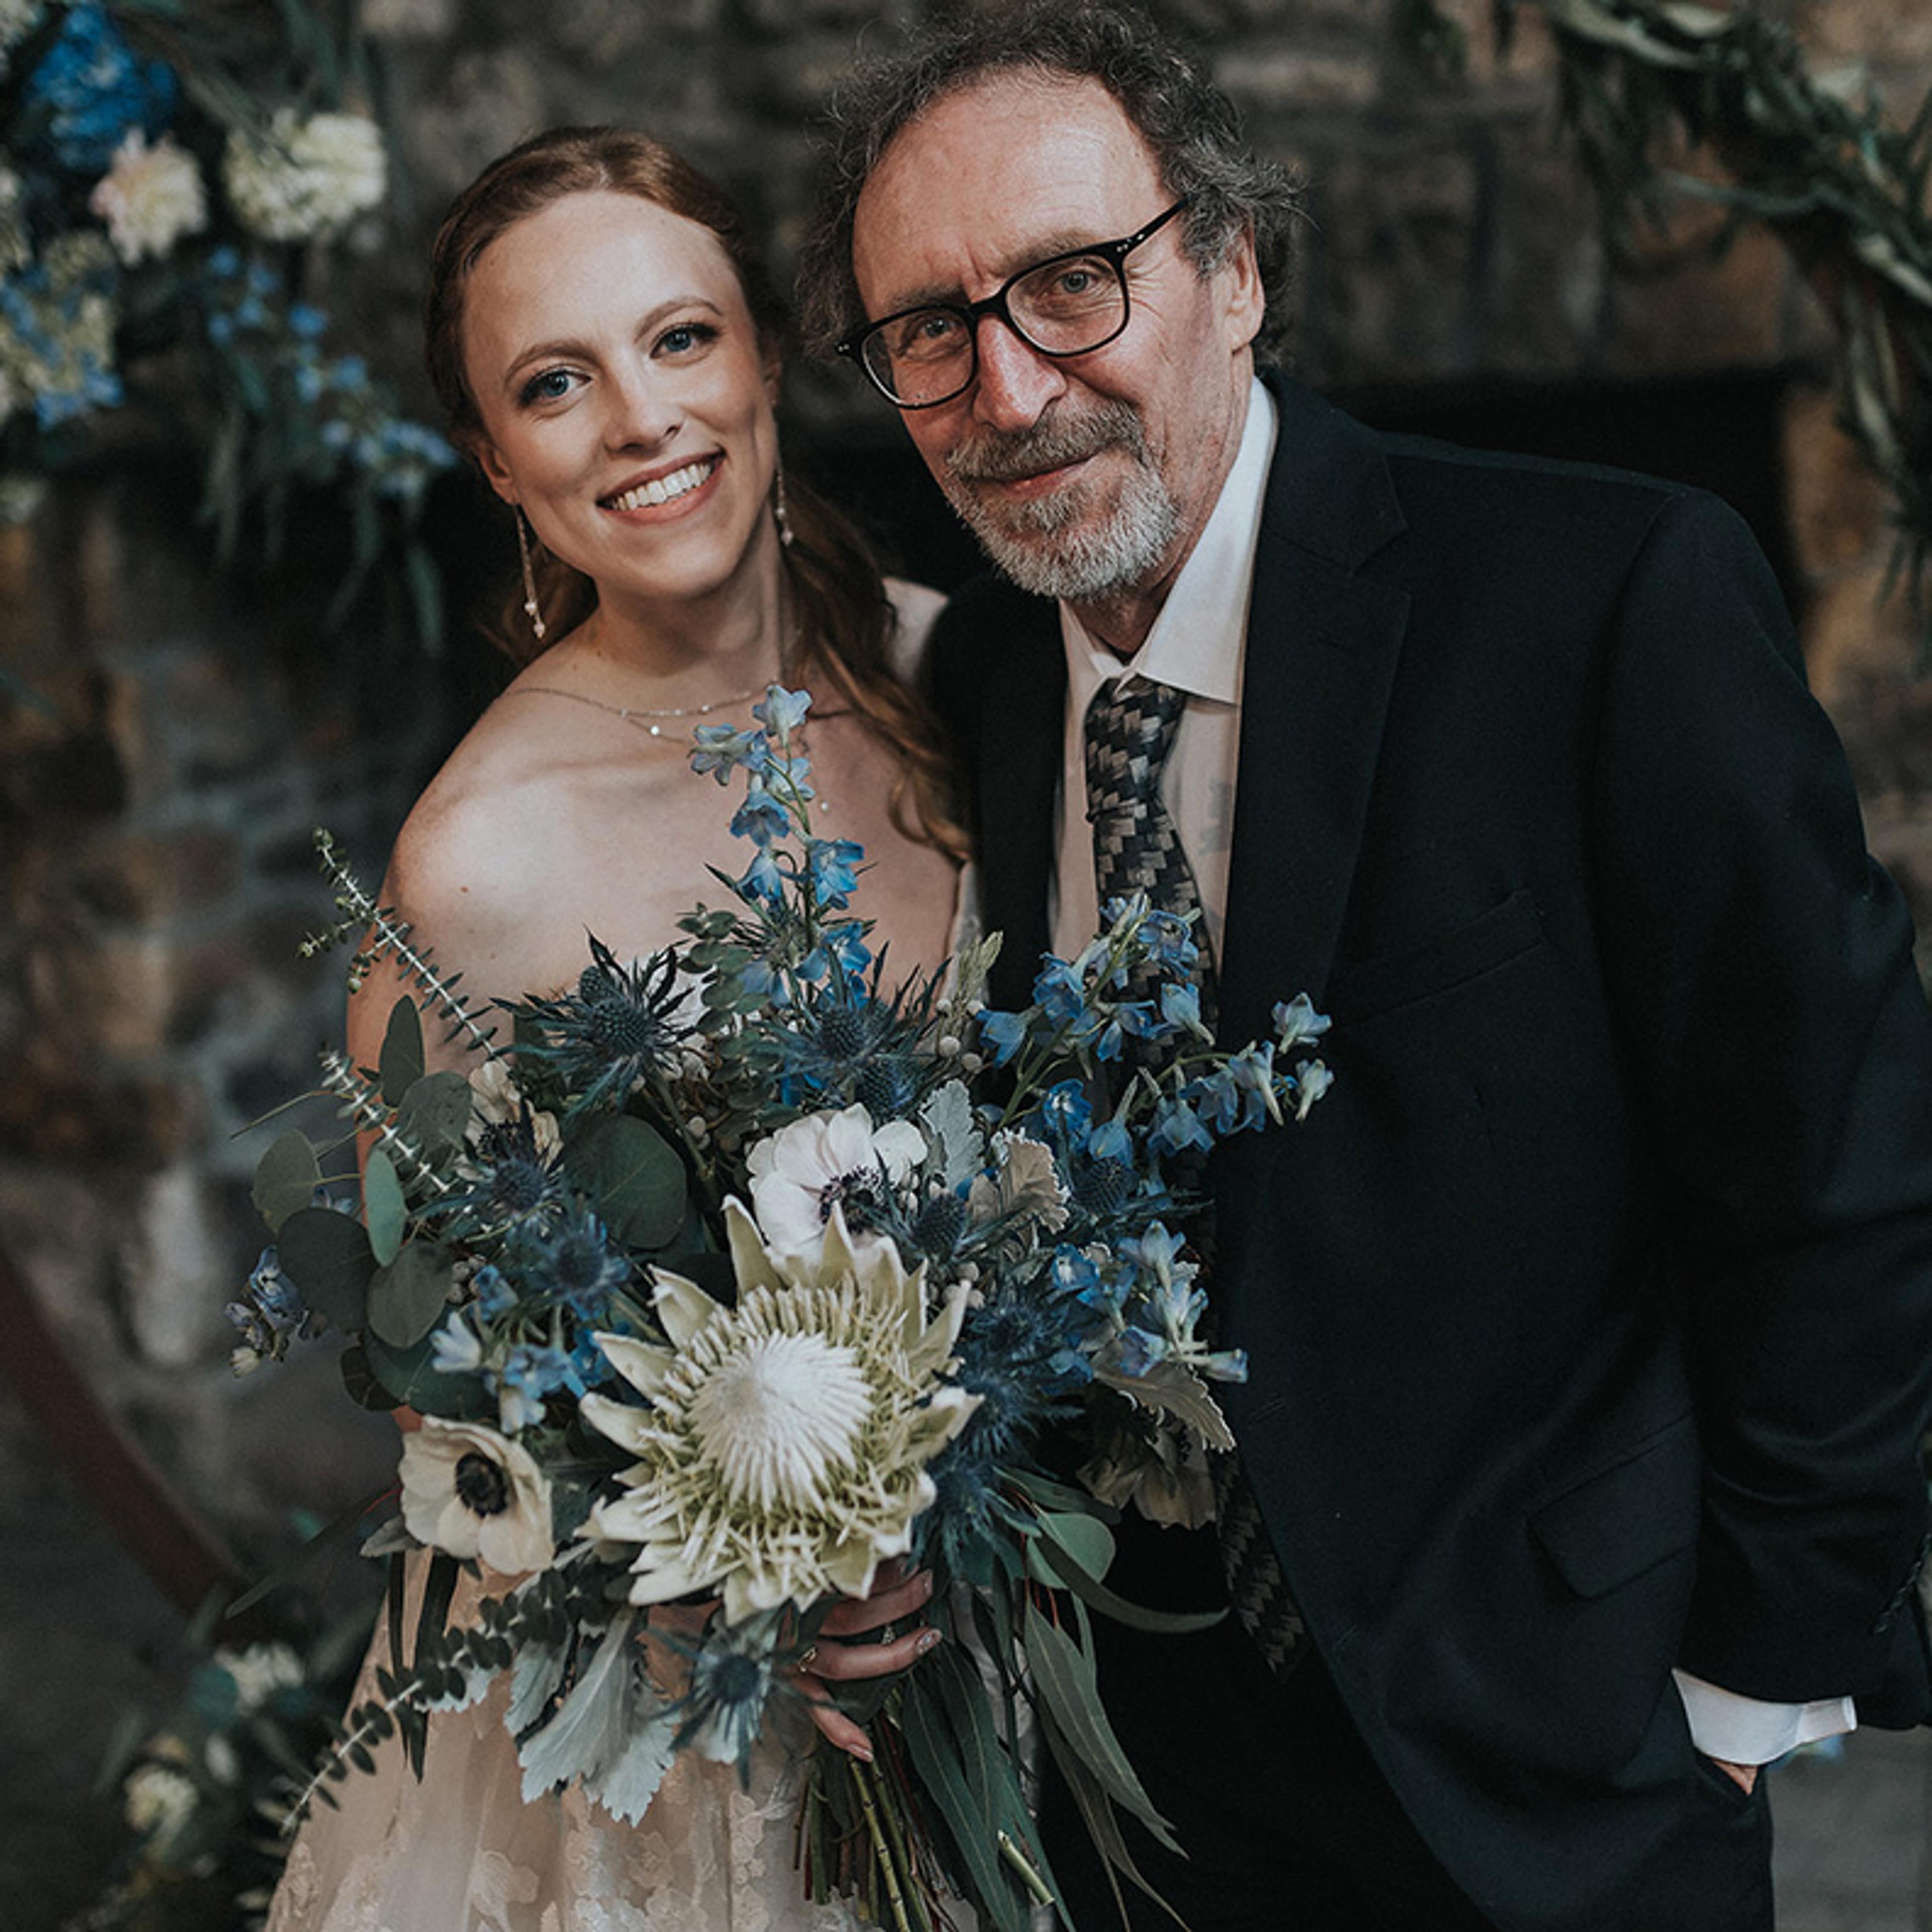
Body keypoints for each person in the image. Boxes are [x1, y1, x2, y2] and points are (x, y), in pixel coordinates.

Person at [794, 9, 1932, 1930]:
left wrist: (1748, 1682)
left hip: (1552, 1747)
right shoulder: (975, 693)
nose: (1005, 383)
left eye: (1073, 284)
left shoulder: (1607, 599)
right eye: (927, 328)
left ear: (1234, 273)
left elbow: (1845, 1169)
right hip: (1127, 1783)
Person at [266, 126, 965, 1932]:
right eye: (556, 383)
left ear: (761, 355)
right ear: (496, 459)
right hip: (683, 1748)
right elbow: (437, 1391)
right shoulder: (474, 862)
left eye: (679, 341)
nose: (644, 421)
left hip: (975, 1665)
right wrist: (701, 1571)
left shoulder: (952, 672)